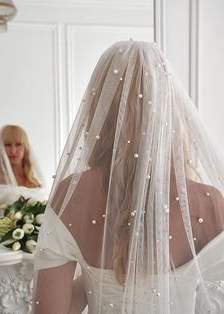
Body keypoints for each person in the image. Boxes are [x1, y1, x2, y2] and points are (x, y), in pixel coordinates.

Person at [33, 41, 224, 314]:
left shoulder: (71, 194)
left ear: (98, 106)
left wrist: (95, 283)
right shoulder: (209, 202)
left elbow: (50, 312)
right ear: (169, 107)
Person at [0, 125, 47, 225]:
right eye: (7, 145)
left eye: (18, 144)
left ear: (26, 147)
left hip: (38, 239)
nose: (13, 151)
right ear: (0, 148)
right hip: (5, 239)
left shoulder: (35, 181)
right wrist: (6, 227)